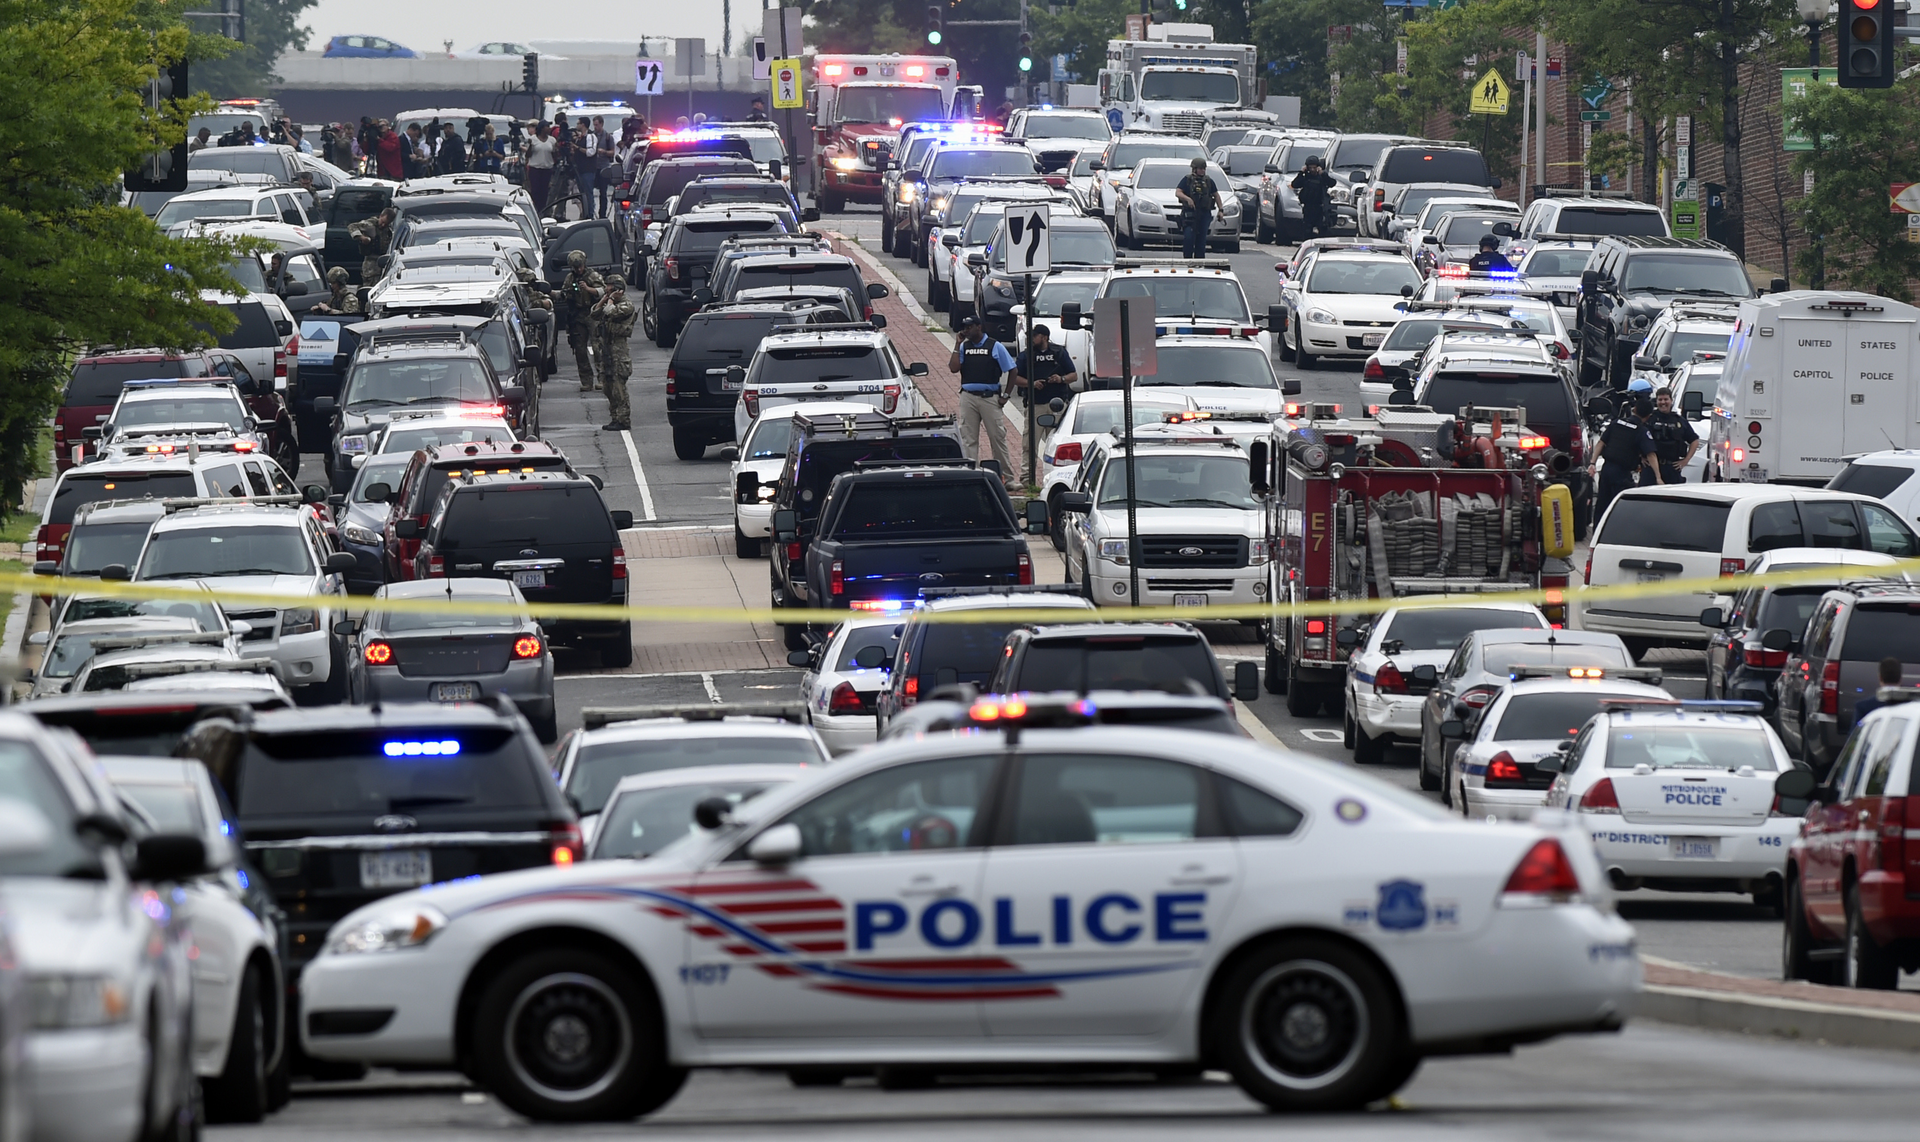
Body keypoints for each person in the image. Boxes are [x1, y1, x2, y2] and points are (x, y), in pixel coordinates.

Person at [949, 313, 1017, 480]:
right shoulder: (964, 347)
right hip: (968, 397)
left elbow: (1012, 370)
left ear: (979, 327)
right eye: (964, 327)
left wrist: (1006, 395)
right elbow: (953, 368)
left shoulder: (994, 346)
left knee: (997, 437)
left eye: (970, 327)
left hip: (989, 397)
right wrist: (957, 345)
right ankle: (971, 475)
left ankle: (1007, 477)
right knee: (968, 438)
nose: (966, 330)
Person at [1594, 393, 1661, 515]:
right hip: (1621, 474)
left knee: (1602, 504)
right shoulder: (1641, 431)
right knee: (1620, 507)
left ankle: (1598, 531)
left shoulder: (1616, 423)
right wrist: (1658, 477)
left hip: (1606, 469)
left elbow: (1601, 442)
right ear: (1648, 416)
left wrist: (1592, 463)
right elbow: (1651, 454)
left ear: (1634, 410)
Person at [593, 274, 637, 431]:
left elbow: (611, 312)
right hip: (607, 351)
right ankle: (614, 418)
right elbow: (595, 314)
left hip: (618, 353)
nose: (606, 287)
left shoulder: (626, 305)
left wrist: (610, 300)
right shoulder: (608, 302)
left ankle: (623, 420)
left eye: (610, 286)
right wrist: (604, 299)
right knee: (607, 387)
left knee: (619, 389)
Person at [556, 249, 605, 388]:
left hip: (593, 314)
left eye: (580, 267)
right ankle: (586, 381)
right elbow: (563, 294)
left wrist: (588, 289)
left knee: (598, 347)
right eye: (575, 268)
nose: (578, 270)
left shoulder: (593, 276)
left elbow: (602, 292)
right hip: (578, 316)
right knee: (580, 349)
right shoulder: (570, 278)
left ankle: (602, 378)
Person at [1013, 324, 1078, 412]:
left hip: (1057, 403)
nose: (1031, 339)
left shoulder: (1059, 352)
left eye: (1034, 336)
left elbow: (1074, 376)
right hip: (1035, 404)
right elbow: (1014, 378)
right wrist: (1032, 384)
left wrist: (1060, 379)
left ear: (1044, 337)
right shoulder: (1026, 355)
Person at [1646, 386, 1700, 486]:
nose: (1663, 402)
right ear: (1656, 401)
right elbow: (1637, 438)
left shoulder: (1679, 421)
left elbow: (1695, 441)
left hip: (1672, 468)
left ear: (1671, 400)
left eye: (1666, 399)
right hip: (1651, 469)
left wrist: (1685, 461)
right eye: (1660, 400)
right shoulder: (1650, 419)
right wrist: (1641, 457)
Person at [1174, 157, 1222, 260]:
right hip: (1190, 214)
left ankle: (1200, 262)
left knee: (1201, 240)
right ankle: (1187, 261)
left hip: (1204, 214)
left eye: (1204, 169)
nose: (1202, 171)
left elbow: (1216, 195)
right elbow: (1178, 192)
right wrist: (1188, 199)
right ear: (1194, 169)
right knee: (1189, 238)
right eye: (1200, 168)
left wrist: (1221, 210)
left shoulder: (1208, 181)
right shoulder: (1187, 180)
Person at [348, 206, 395, 286]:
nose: (383, 225)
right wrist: (362, 238)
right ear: (380, 216)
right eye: (382, 222)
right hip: (370, 264)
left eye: (386, 224)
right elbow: (352, 226)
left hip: (383, 263)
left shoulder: (389, 230)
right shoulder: (369, 225)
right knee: (369, 285)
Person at [1853, 657, 1906, 725]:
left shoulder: (1863, 707)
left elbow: (1856, 734)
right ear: (1900, 679)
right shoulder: (1913, 707)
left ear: (1880, 677)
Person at [1291, 155, 1333, 239]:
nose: (1312, 170)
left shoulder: (1321, 177)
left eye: (1314, 167)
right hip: (1308, 207)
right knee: (1307, 229)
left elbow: (1332, 183)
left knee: (1323, 229)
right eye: (1310, 168)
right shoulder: (1305, 177)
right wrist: (1301, 173)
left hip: (1320, 207)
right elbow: (1294, 184)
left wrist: (1323, 174)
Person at [523, 122, 556, 211]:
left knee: (544, 191)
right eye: (547, 127)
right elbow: (528, 155)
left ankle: (543, 209)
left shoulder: (552, 140)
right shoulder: (533, 139)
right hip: (535, 169)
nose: (549, 128)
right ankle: (535, 209)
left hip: (547, 169)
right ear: (542, 128)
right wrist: (530, 146)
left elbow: (554, 154)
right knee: (535, 190)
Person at [592, 116, 617, 217]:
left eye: (597, 125)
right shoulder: (591, 136)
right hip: (593, 167)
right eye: (594, 125)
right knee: (589, 191)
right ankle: (590, 212)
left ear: (602, 124)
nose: (595, 127)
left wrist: (604, 152)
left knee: (603, 192)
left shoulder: (608, 137)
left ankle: (602, 214)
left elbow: (612, 152)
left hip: (603, 167)